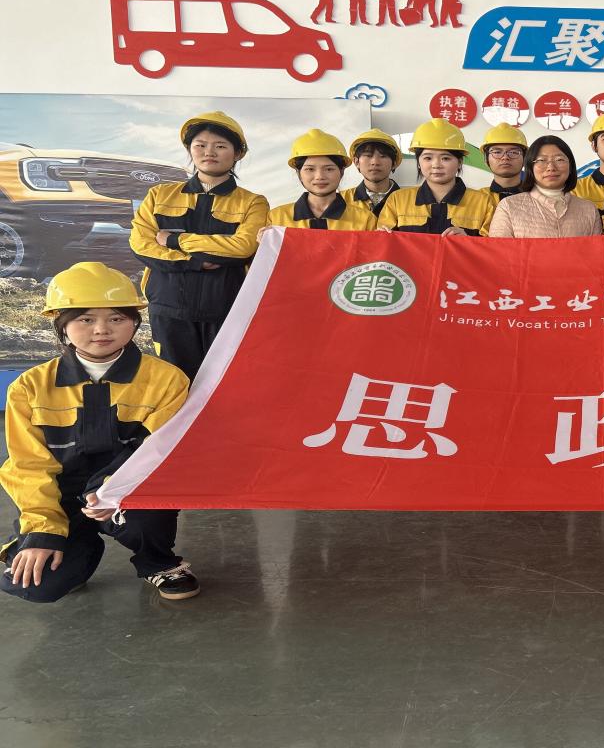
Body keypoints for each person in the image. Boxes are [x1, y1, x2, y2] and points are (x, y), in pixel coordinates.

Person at [0, 263, 197, 603]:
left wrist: (113, 491)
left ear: (134, 322)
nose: (102, 330)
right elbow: (27, 467)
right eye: (86, 319)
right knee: (36, 585)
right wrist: (43, 531)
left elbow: (157, 449)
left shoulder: (167, 380)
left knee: (148, 515)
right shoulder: (29, 388)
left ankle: (159, 562)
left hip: (128, 488)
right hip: (62, 495)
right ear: (61, 324)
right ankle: (76, 550)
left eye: (117, 318)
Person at [129, 111, 269, 379]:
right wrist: (194, 262)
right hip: (168, 308)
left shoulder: (253, 202)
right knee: (174, 383)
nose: (209, 152)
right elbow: (141, 244)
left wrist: (174, 240)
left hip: (226, 309)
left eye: (220, 146)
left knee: (224, 383)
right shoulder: (159, 195)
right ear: (189, 149)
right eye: (200, 145)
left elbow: (243, 247)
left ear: (238, 153)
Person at [379, 119, 493, 236]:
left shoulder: (483, 202)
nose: (436, 165)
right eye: (428, 158)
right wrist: (381, 236)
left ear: (459, 162)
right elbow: (382, 244)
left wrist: (468, 240)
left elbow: (492, 245)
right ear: (418, 163)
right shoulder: (398, 200)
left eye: (445, 158)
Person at [488, 136, 602, 238]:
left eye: (559, 160)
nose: (551, 167)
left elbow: (596, 253)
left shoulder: (589, 210)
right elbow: (499, 253)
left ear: (571, 166)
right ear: (530, 167)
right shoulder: (508, 206)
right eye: (541, 160)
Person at [268, 129, 377, 231]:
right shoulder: (277, 218)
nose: (319, 176)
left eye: (329, 169)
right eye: (310, 169)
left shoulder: (365, 220)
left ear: (342, 171)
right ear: (298, 173)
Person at [348, 128, 402, 217]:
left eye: (383, 156)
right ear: (357, 162)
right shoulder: (341, 200)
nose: (375, 162)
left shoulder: (408, 201)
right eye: (368, 156)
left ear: (394, 163)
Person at [481, 122, 527, 204]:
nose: (505, 157)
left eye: (513, 152)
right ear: (486, 159)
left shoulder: (538, 199)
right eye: (497, 152)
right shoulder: (476, 199)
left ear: (525, 158)